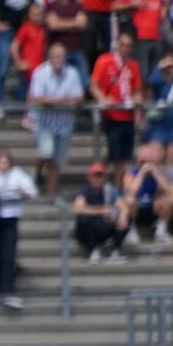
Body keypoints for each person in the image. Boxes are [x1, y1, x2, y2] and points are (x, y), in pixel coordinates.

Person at [27, 39, 84, 195]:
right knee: (46, 151)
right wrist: (59, 102)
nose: (59, 59)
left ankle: (50, 194)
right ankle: (38, 172)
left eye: (61, 56)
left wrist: (75, 100)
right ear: (49, 57)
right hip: (45, 121)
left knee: (57, 162)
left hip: (65, 123)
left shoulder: (72, 73)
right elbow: (37, 97)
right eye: (55, 56)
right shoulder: (40, 72)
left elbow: (79, 95)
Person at [0, 146, 34, 309]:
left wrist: (22, 191)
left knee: (8, 254)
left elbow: (31, 191)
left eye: (6, 161)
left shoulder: (17, 174)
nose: (3, 164)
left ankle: (7, 291)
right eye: (0, 161)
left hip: (10, 218)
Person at [91, 31, 143, 165]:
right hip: (110, 115)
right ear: (117, 45)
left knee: (123, 156)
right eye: (122, 45)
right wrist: (103, 99)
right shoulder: (104, 60)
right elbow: (94, 85)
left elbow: (137, 89)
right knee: (115, 153)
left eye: (128, 45)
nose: (125, 48)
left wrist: (137, 99)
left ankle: (109, 177)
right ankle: (100, 174)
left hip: (127, 115)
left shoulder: (133, 65)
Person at [73, 160, 129, 262]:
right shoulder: (84, 190)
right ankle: (92, 250)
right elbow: (78, 208)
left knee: (127, 218)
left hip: (103, 225)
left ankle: (114, 250)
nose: (98, 179)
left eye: (101, 176)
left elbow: (123, 205)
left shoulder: (109, 189)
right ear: (89, 177)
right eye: (95, 176)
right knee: (82, 219)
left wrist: (123, 216)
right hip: (89, 228)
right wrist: (100, 211)